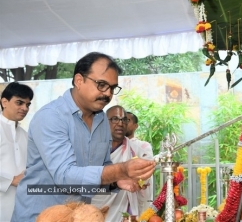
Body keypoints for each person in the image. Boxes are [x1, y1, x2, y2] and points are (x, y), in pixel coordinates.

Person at [11, 52, 156, 221]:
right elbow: (65, 177)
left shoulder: (101, 119)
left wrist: (116, 181)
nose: (108, 94)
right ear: (79, 81)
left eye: (112, 87)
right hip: (38, 217)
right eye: (101, 85)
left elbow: (101, 169)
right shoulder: (51, 117)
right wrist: (121, 169)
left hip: (78, 216)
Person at [92, 105, 142, 221]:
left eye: (124, 119)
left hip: (122, 209)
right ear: (105, 122)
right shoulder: (92, 149)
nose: (120, 123)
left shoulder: (134, 149)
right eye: (114, 119)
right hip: (93, 209)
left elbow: (140, 179)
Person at [0, 82, 34, 222]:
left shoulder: (25, 135)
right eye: (19, 102)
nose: (24, 108)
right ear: (4, 102)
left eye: (27, 104)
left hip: (22, 204)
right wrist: (10, 180)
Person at [125, 111, 154, 215]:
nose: (123, 123)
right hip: (118, 196)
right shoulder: (112, 147)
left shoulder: (143, 146)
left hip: (138, 194)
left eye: (127, 120)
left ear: (136, 126)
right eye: (121, 119)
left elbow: (146, 169)